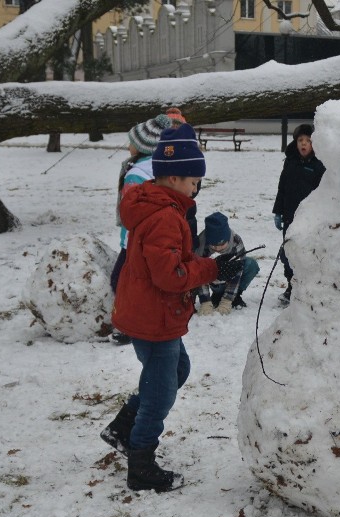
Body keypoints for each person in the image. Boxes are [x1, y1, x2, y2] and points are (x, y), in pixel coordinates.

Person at [102, 123, 244, 492]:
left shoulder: (160, 207)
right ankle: (141, 464)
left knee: (176, 369)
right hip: (155, 316)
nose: (197, 188)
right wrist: (213, 268)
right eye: (193, 181)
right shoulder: (165, 216)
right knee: (161, 391)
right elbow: (171, 275)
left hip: (150, 311)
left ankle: (122, 428)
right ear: (173, 177)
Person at [109, 113, 173, 345]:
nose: (128, 147)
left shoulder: (136, 174)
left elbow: (131, 210)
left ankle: (129, 327)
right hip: (153, 238)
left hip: (134, 240)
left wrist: (129, 235)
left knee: (121, 281)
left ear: (143, 146)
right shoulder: (157, 168)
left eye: (132, 143)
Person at [272, 123, 326, 304]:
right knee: (288, 254)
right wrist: (278, 211)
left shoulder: (320, 165)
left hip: (310, 220)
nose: (303, 144)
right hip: (289, 216)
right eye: (300, 140)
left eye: (308, 140)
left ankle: (308, 288)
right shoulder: (290, 161)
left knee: (307, 254)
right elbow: (282, 188)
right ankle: (291, 285)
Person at [194, 211, 260, 315]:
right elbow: (200, 274)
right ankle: (217, 294)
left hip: (230, 276)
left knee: (251, 264)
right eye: (213, 246)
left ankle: (235, 295)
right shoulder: (201, 245)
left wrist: (227, 300)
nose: (218, 249)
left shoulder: (236, 241)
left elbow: (237, 273)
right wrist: (205, 301)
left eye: (221, 244)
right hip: (212, 278)